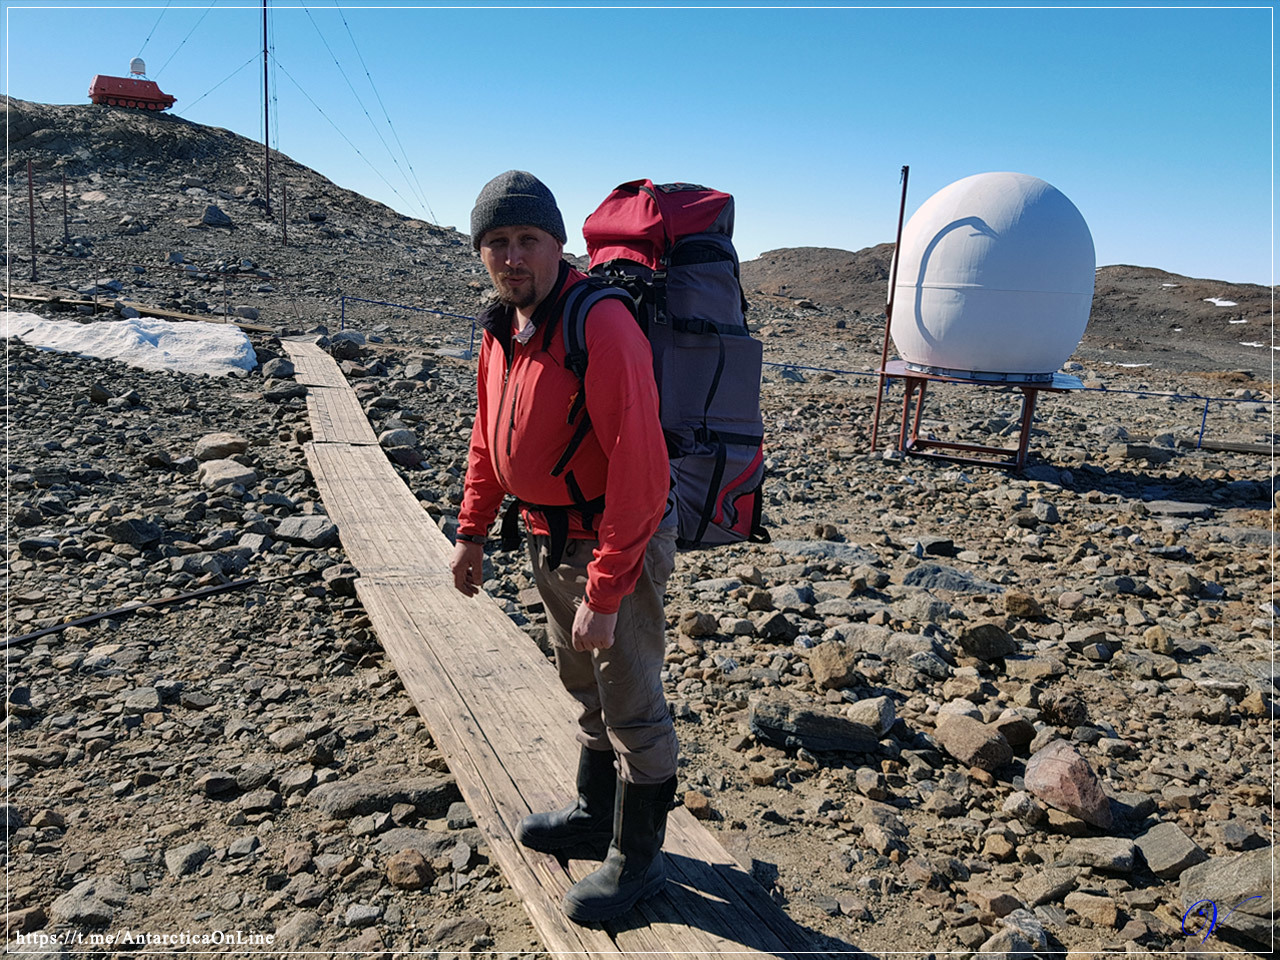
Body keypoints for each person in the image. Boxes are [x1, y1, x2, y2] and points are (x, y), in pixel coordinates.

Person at [450, 170, 678, 924]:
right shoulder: (502, 328)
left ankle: (639, 862)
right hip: (546, 537)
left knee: (632, 700)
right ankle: (592, 814)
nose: (514, 256)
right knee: (582, 684)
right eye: (498, 242)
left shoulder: (601, 323)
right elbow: (489, 438)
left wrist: (608, 590)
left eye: (529, 240)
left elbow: (642, 472)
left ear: (558, 245)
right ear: (482, 252)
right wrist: (472, 532)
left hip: (613, 540)